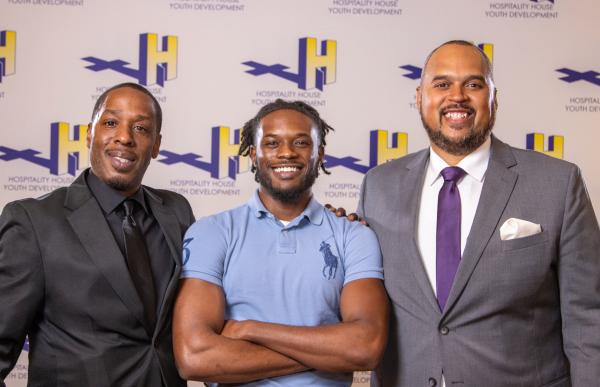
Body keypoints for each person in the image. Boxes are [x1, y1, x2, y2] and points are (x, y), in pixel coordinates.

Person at [356, 40, 600, 387]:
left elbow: (588, 319)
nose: (457, 96)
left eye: (473, 84)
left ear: (494, 98)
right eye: (441, 84)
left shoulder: (558, 183)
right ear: (419, 97)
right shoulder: (378, 187)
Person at [173, 99, 389, 386]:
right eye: (272, 143)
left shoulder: (354, 235)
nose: (286, 153)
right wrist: (327, 354)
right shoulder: (212, 232)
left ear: (319, 154)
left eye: (301, 143)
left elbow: (365, 347)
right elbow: (195, 357)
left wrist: (250, 329)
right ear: (253, 154)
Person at [0, 82, 194, 387]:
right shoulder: (33, 221)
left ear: (156, 145)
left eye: (141, 128)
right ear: (89, 133)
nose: (124, 137)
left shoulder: (177, 211)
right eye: (111, 122)